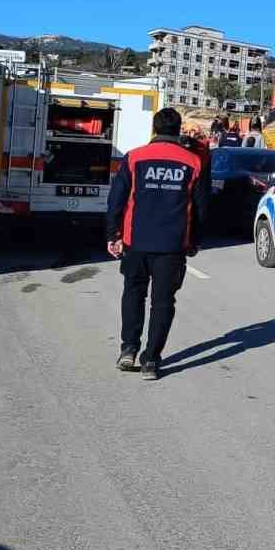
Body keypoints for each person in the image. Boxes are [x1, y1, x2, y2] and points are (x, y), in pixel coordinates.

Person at [105, 107, 208, 380]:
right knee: (163, 303)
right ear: (178, 131)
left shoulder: (135, 157)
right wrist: (195, 241)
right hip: (172, 245)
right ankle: (151, 360)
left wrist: (112, 235)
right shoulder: (193, 161)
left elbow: (116, 200)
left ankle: (128, 349)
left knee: (133, 294)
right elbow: (201, 208)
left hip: (135, 241)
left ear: (154, 128)